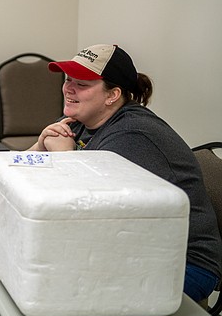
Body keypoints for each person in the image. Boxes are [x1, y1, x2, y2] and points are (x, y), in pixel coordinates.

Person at [31, 43, 222, 302]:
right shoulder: (83, 119)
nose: (69, 89)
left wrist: (65, 157)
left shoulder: (133, 134)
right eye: (68, 80)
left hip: (183, 264)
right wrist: (41, 144)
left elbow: (85, 209)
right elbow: (15, 168)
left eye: (83, 84)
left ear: (112, 95)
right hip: (132, 246)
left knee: (64, 295)